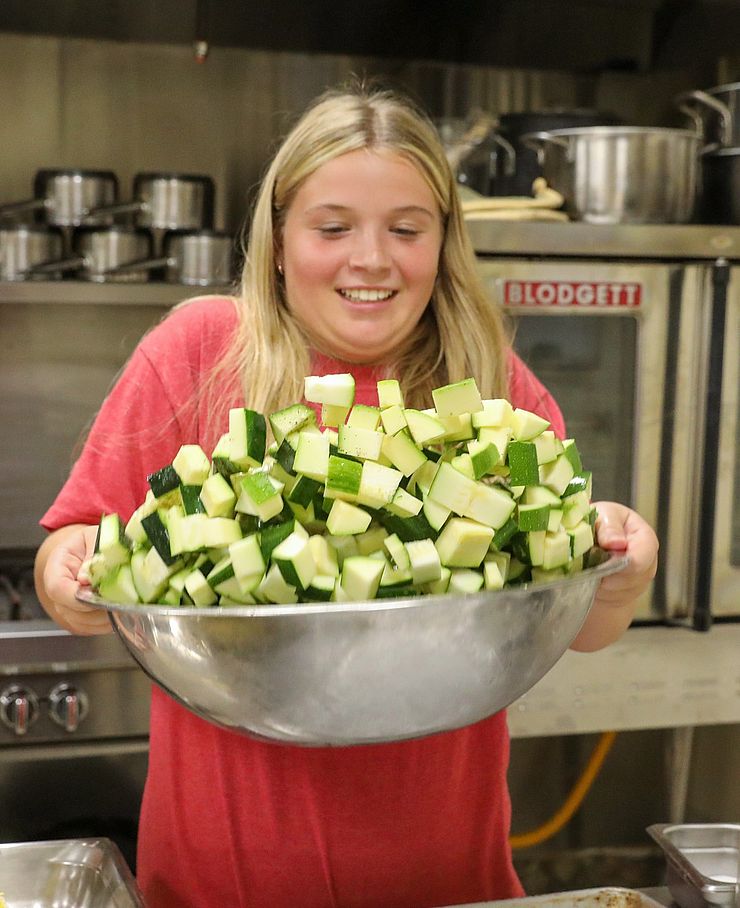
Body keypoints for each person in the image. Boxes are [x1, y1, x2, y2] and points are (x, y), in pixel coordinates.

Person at [34, 84, 658, 908]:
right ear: (281, 241)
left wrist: (623, 570)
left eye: (407, 229)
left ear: (442, 242)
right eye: (332, 228)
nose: (372, 259)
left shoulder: (488, 382)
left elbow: (575, 616)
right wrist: (67, 572)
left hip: (444, 882)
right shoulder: (196, 352)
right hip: (222, 882)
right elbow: (76, 544)